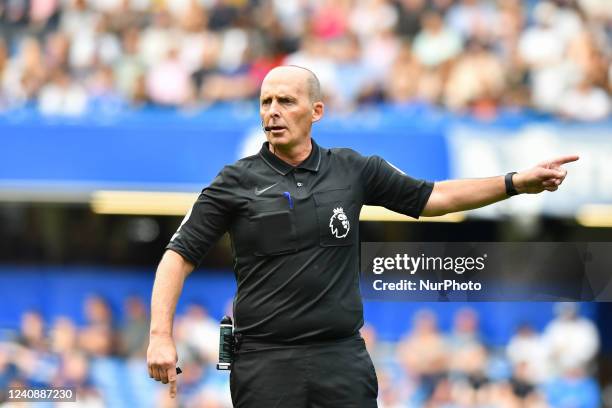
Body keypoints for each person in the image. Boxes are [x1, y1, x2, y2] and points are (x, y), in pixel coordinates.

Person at [146, 65, 578, 407]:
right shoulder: (234, 181)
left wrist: (515, 182)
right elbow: (177, 255)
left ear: (316, 111)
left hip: (341, 358)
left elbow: (435, 196)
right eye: (265, 102)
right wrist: (160, 335)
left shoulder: (353, 169)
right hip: (264, 361)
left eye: (286, 101)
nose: (272, 111)